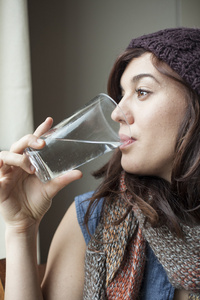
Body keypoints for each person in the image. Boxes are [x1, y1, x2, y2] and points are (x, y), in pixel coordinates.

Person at [0, 27, 199, 300]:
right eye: (121, 95)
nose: (117, 112)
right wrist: (21, 229)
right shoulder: (94, 217)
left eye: (141, 91)